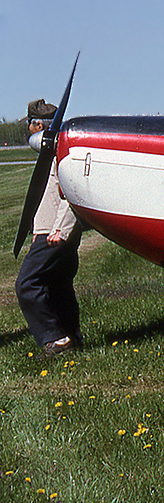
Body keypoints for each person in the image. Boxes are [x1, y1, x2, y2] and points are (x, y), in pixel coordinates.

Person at [16, 100, 82, 356]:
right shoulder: (52, 154)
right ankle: (72, 338)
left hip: (56, 233)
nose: (29, 130)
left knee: (27, 283)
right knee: (58, 285)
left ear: (38, 125)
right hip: (51, 231)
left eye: (30, 124)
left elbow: (71, 193)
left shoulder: (60, 155)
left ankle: (55, 338)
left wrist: (60, 230)